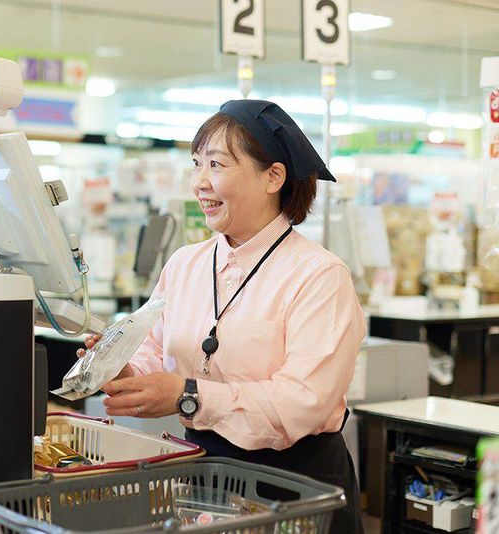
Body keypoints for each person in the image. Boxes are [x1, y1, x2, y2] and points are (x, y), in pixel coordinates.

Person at [80, 100, 365, 533]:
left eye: (216, 164)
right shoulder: (185, 264)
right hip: (204, 476)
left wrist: (189, 395)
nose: (199, 182)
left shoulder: (319, 275)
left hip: (296, 489)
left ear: (273, 177)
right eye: (196, 164)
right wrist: (122, 367)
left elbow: (303, 402)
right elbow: (156, 349)